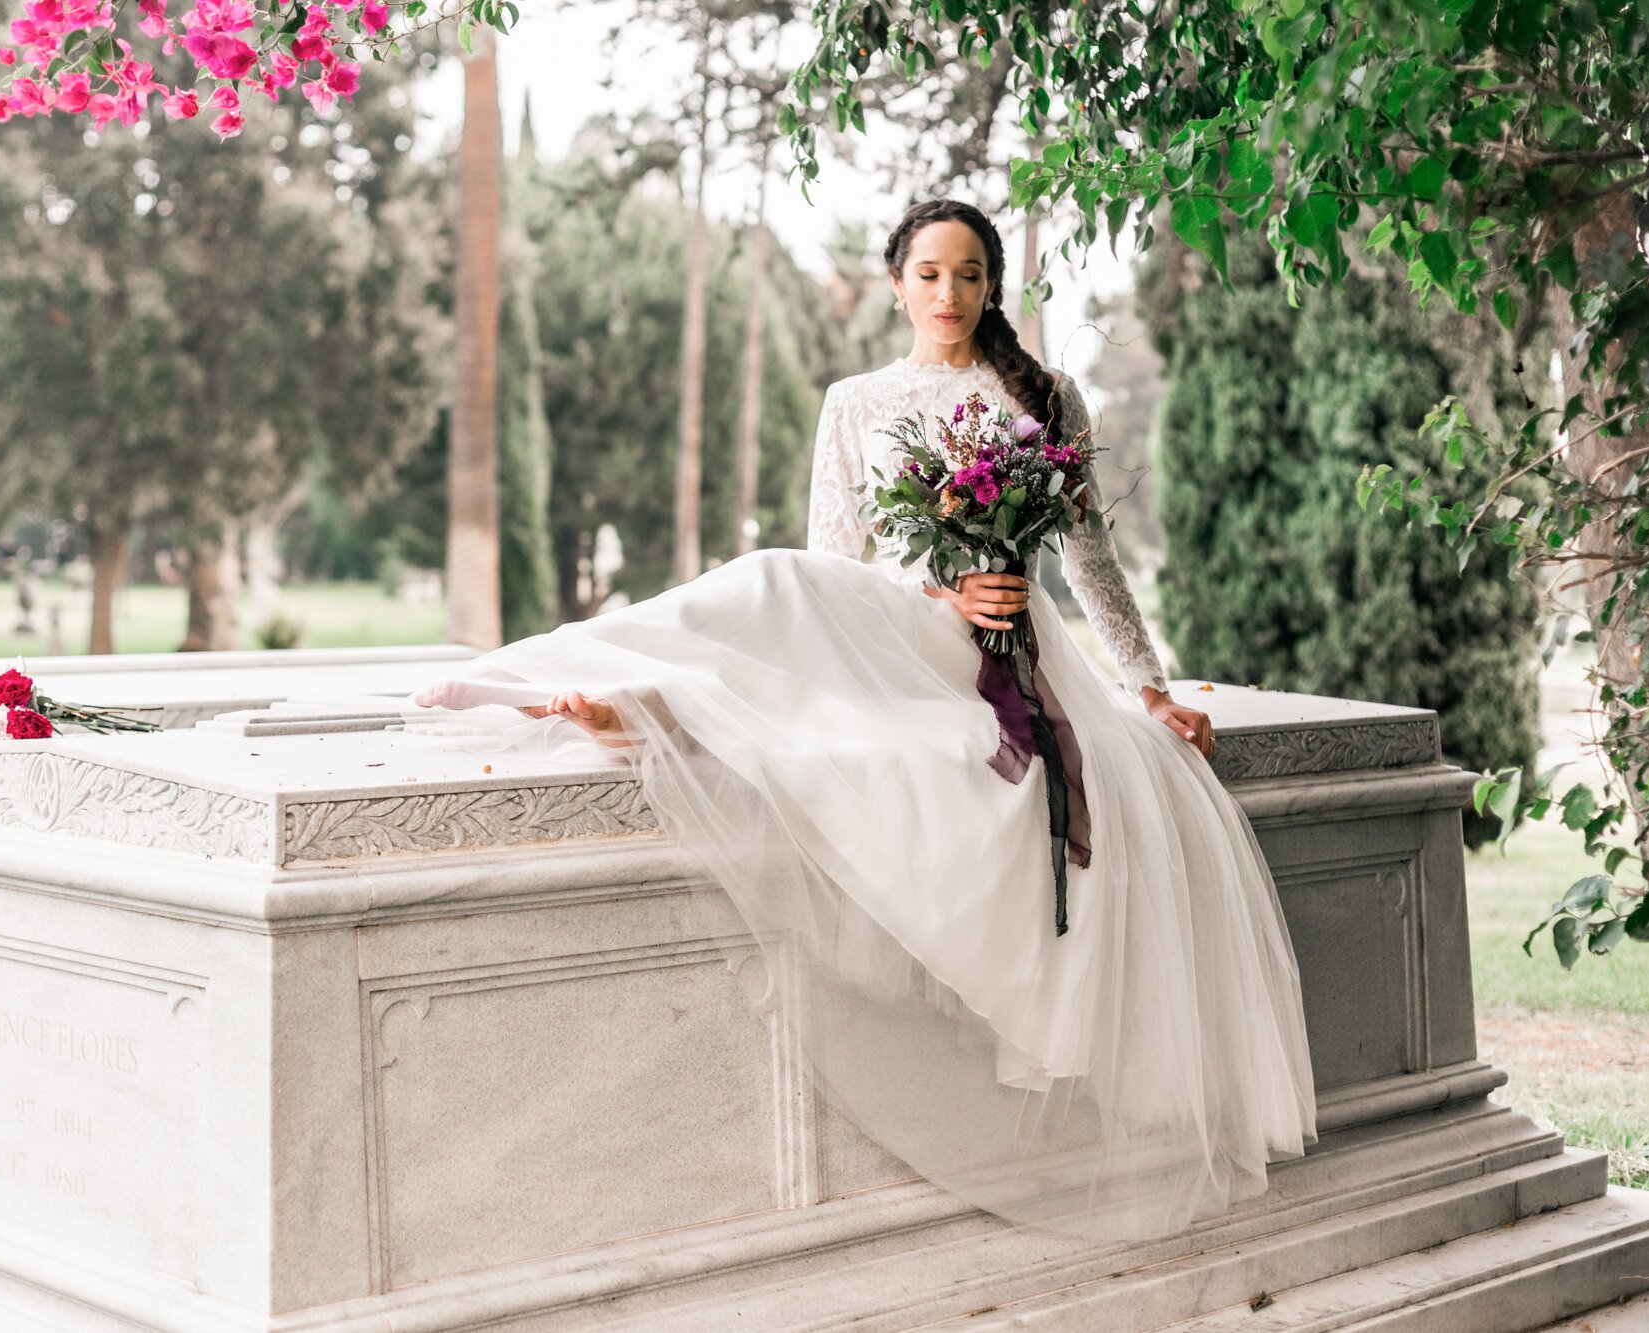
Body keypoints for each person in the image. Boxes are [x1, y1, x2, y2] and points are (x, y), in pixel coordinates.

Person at [411, 198, 1316, 1243]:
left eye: (969, 274)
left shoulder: (1042, 396)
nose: (948, 294)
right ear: (894, 283)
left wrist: (1147, 684)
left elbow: (1087, 561)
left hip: (1005, 649)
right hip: (892, 624)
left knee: (803, 651)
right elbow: (833, 560)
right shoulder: (853, 399)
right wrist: (939, 596)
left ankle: (666, 704)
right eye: (928, 274)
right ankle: (586, 675)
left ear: (990, 286)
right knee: (773, 577)